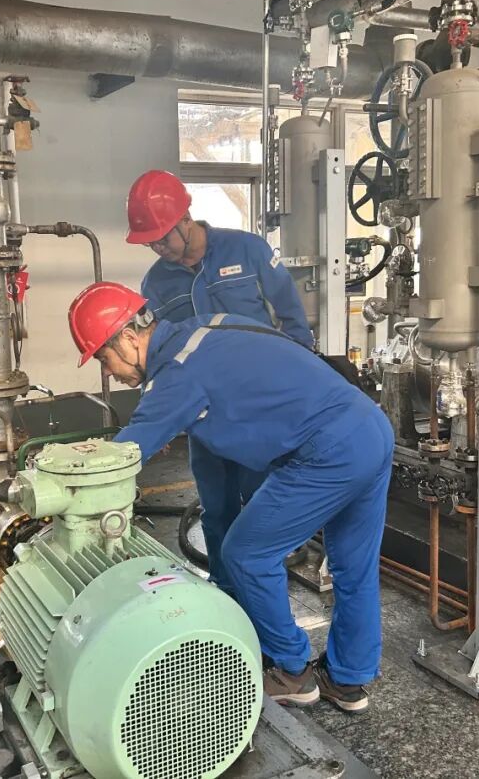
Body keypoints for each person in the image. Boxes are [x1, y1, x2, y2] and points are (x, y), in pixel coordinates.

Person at [67, 281, 394, 713]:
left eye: (103, 358)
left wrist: (63, 486)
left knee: (247, 554)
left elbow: (121, 458)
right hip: (371, 428)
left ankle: (292, 671)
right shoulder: (207, 328)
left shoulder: (176, 374)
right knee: (354, 567)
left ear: (128, 338)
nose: (108, 372)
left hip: (328, 452)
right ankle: (348, 679)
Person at [124, 169, 314, 596]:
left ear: (185, 218)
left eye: (162, 238)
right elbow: (156, 355)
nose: (158, 249)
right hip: (204, 415)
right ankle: (226, 591)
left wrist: (297, 387)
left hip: (259, 410)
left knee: (263, 502)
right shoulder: (156, 283)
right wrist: (159, 415)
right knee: (216, 506)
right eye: (150, 243)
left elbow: (292, 318)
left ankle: (267, 592)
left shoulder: (247, 250)